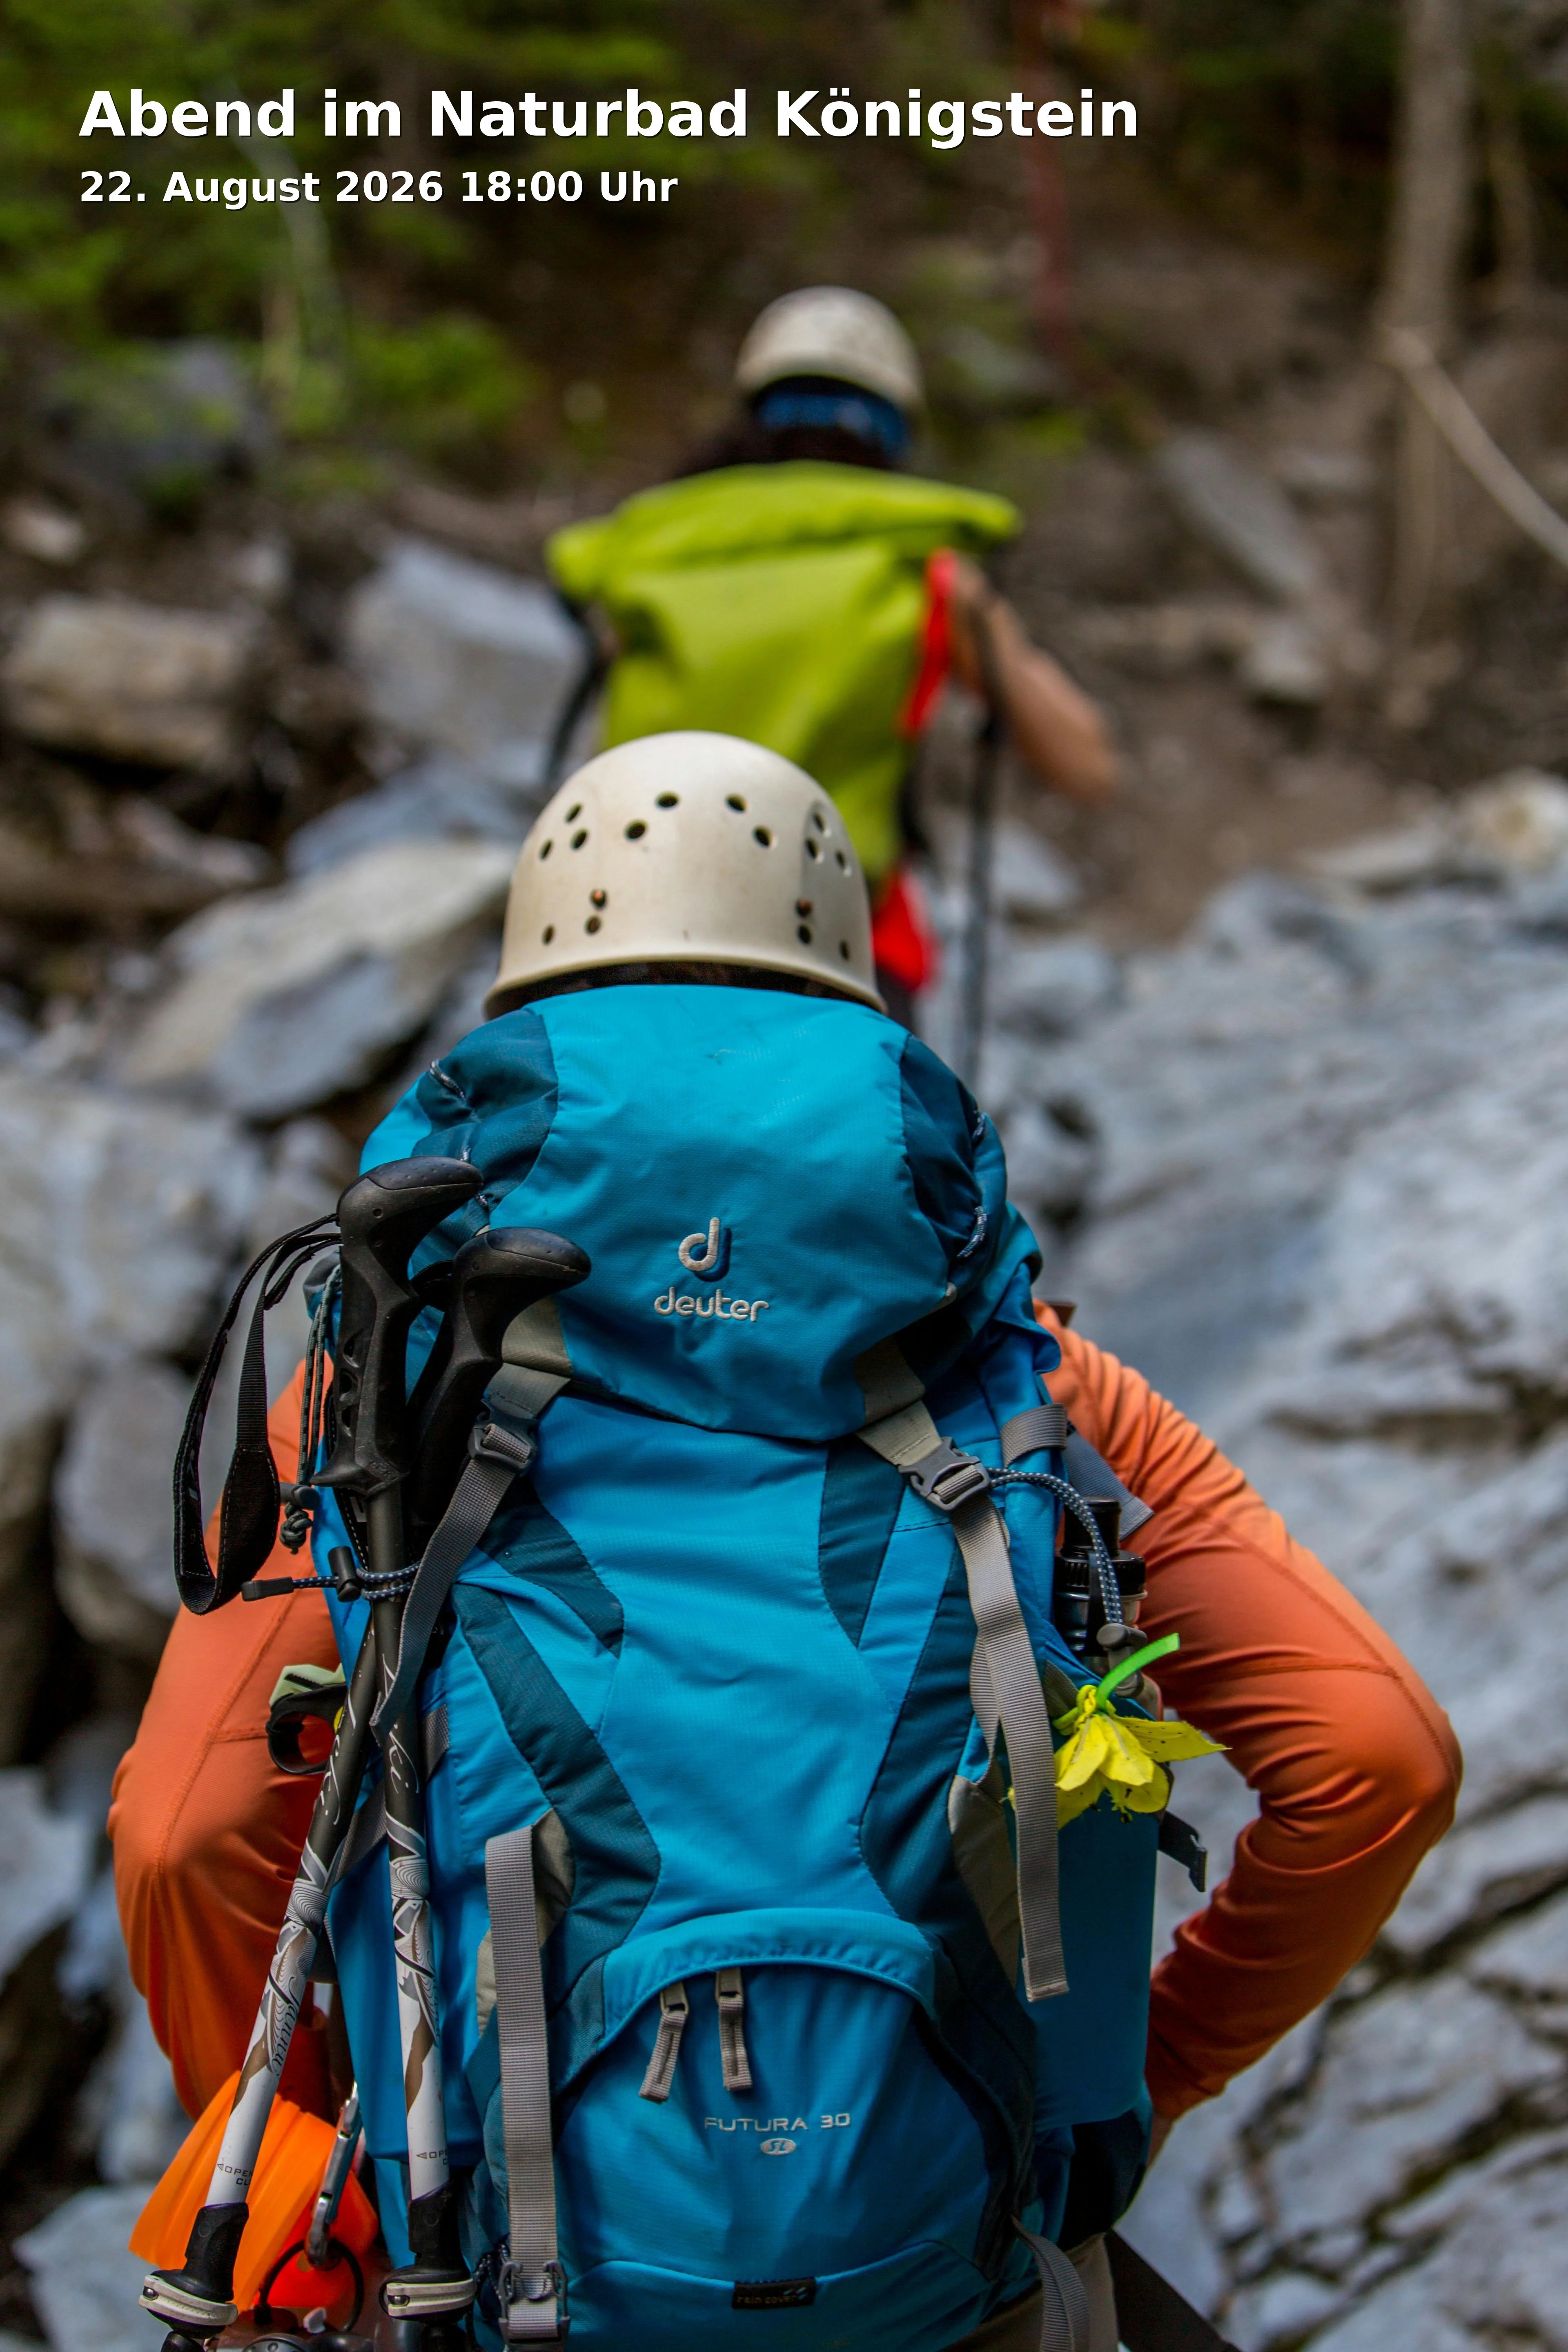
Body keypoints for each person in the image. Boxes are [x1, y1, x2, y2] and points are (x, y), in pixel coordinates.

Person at [111, 736, 1459, 2352]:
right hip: (943, 2255)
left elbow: (185, 1835)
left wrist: (322, 2144)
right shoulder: (1028, 1379)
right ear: (847, 974)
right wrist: (1116, 2090)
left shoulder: (389, 1365)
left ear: (534, 967)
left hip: (492, 2264)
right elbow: (1380, 1761)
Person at [546, 286, 1118, 1020]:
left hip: (623, 947)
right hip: (841, 964)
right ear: (894, 431)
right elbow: (1086, 767)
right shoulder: (925, 573)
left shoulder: (643, 560)